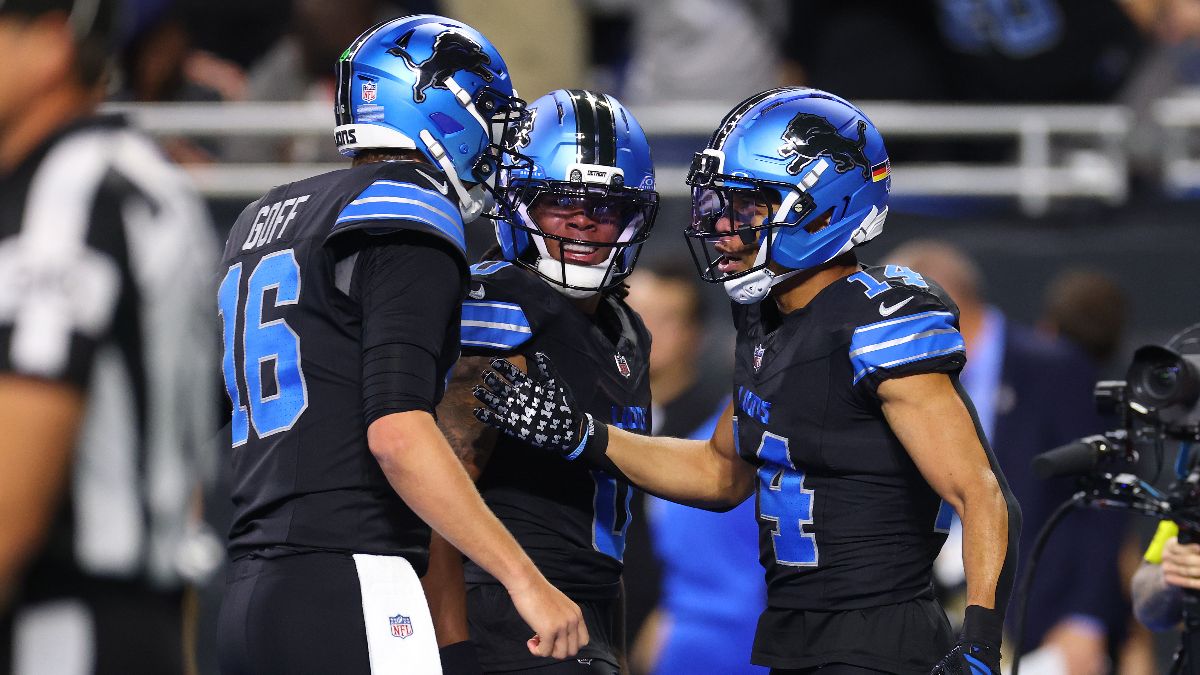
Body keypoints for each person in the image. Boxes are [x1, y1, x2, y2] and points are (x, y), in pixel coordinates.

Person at [473, 87, 1022, 674]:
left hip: (883, 637)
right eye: (720, 205)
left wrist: (980, 647)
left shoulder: (879, 318)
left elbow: (982, 494)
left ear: (822, 209)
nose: (723, 227)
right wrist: (581, 435)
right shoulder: (764, 322)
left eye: (748, 208)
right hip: (794, 636)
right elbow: (719, 473)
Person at [214, 16, 586, 675]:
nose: (496, 138)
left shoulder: (263, 216)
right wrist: (525, 580)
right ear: (439, 106)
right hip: (354, 580)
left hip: (247, 588)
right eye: (488, 112)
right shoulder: (407, 204)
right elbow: (397, 432)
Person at [0, 0, 219, 672]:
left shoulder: (68, 190)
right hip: (131, 618)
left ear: (52, 43)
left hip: (65, 627)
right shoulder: (126, 174)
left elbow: (12, 495)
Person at [424, 88, 659, 674]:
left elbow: (605, 533)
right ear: (516, 202)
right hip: (505, 614)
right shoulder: (501, 302)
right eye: (560, 201)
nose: (583, 220)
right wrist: (451, 651)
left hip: (583, 617)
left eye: (606, 206)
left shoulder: (626, 328)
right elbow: (434, 495)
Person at [884, 241, 1127, 674]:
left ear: (936, 311)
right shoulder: (897, 385)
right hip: (933, 629)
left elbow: (1102, 503)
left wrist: (1085, 620)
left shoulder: (1056, 369)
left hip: (1043, 633)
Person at [621, 264, 764, 675]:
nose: (645, 333)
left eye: (664, 319)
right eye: (635, 318)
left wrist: (673, 619)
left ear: (695, 333)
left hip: (690, 639)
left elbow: (733, 560)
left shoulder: (725, 434)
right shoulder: (593, 422)